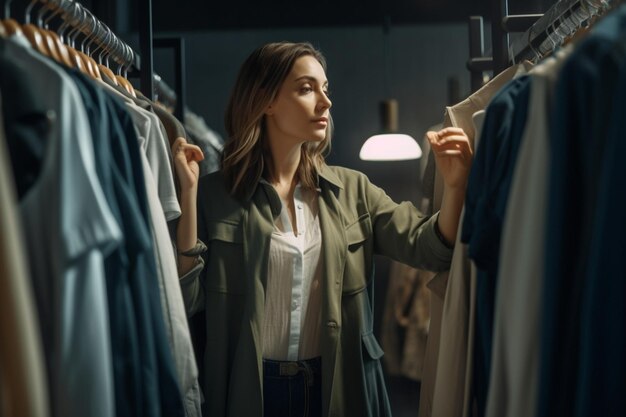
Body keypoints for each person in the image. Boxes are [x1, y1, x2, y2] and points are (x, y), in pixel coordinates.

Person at [171, 41, 472, 417]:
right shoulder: (214, 195)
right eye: (306, 88)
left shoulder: (354, 191)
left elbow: (431, 249)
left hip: (337, 389)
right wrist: (187, 193)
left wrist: (456, 186)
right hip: (248, 393)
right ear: (265, 100)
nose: (325, 101)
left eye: (325, 88)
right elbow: (183, 303)